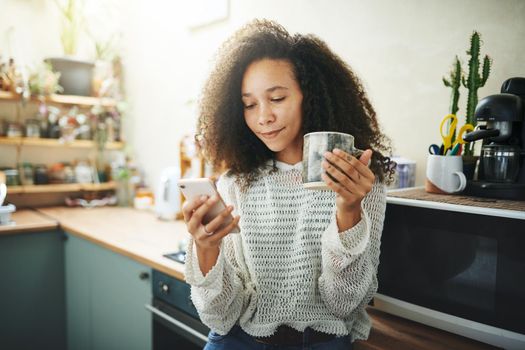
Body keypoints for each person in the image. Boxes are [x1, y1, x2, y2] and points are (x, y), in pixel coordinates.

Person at [182, 19, 394, 350]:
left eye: (277, 98)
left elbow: (344, 304)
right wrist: (207, 251)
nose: (262, 116)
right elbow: (220, 318)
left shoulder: (359, 180)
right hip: (239, 340)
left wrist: (349, 209)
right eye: (249, 104)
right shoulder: (236, 184)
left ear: (310, 97)